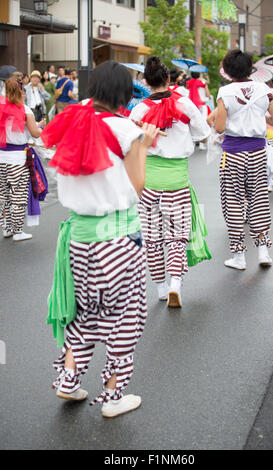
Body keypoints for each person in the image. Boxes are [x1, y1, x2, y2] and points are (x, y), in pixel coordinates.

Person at [41, 61, 159, 418]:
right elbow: (137, 186)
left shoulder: (70, 119)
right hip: (118, 238)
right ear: (125, 93)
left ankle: (68, 380)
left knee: (85, 314)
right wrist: (144, 143)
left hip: (78, 238)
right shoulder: (126, 129)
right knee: (125, 316)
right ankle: (112, 397)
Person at [130, 56, 211, 308]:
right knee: (177, 236)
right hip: (177, 180)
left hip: (148, 180)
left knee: (153, 238)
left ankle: (161, 288)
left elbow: (131, 144)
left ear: (146, 82)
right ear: (168, 79)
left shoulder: (139, 110)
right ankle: (176, 282)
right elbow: (203, 134)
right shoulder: (184, 104)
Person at [211, 49, 273, 270]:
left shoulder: (225, 92)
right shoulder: (264, 90)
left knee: (233, 203)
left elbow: (220, 126)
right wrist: (262, 116)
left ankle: (239, 257)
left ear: (228, 70)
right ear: (250, 67)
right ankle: (263, 252)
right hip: (258, 152)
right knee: (259, 200)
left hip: (232, 154)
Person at [0, 78, 44, 241]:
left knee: (3, 195)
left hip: (1, 156)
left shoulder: (1, 108)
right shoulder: (25, 110)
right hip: (18, 159)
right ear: (21, 92)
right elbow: (35, 133)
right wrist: (41, 126)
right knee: (18, 195)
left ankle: (6, 228)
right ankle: (18, 231)